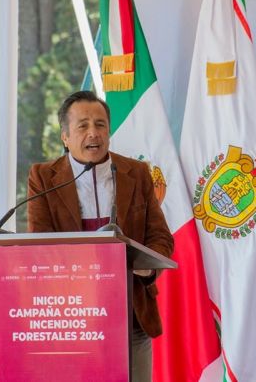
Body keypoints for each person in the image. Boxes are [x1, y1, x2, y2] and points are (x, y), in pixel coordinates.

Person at [27, 91, 174, 382]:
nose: (93, 133)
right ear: (65, 136)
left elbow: (161, 237)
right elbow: (40, 244)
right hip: (72, 316)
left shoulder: (136, 172)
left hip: (131, 314)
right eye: (83, 125)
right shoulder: (43, 176)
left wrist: (146, 267)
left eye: (100, 124)